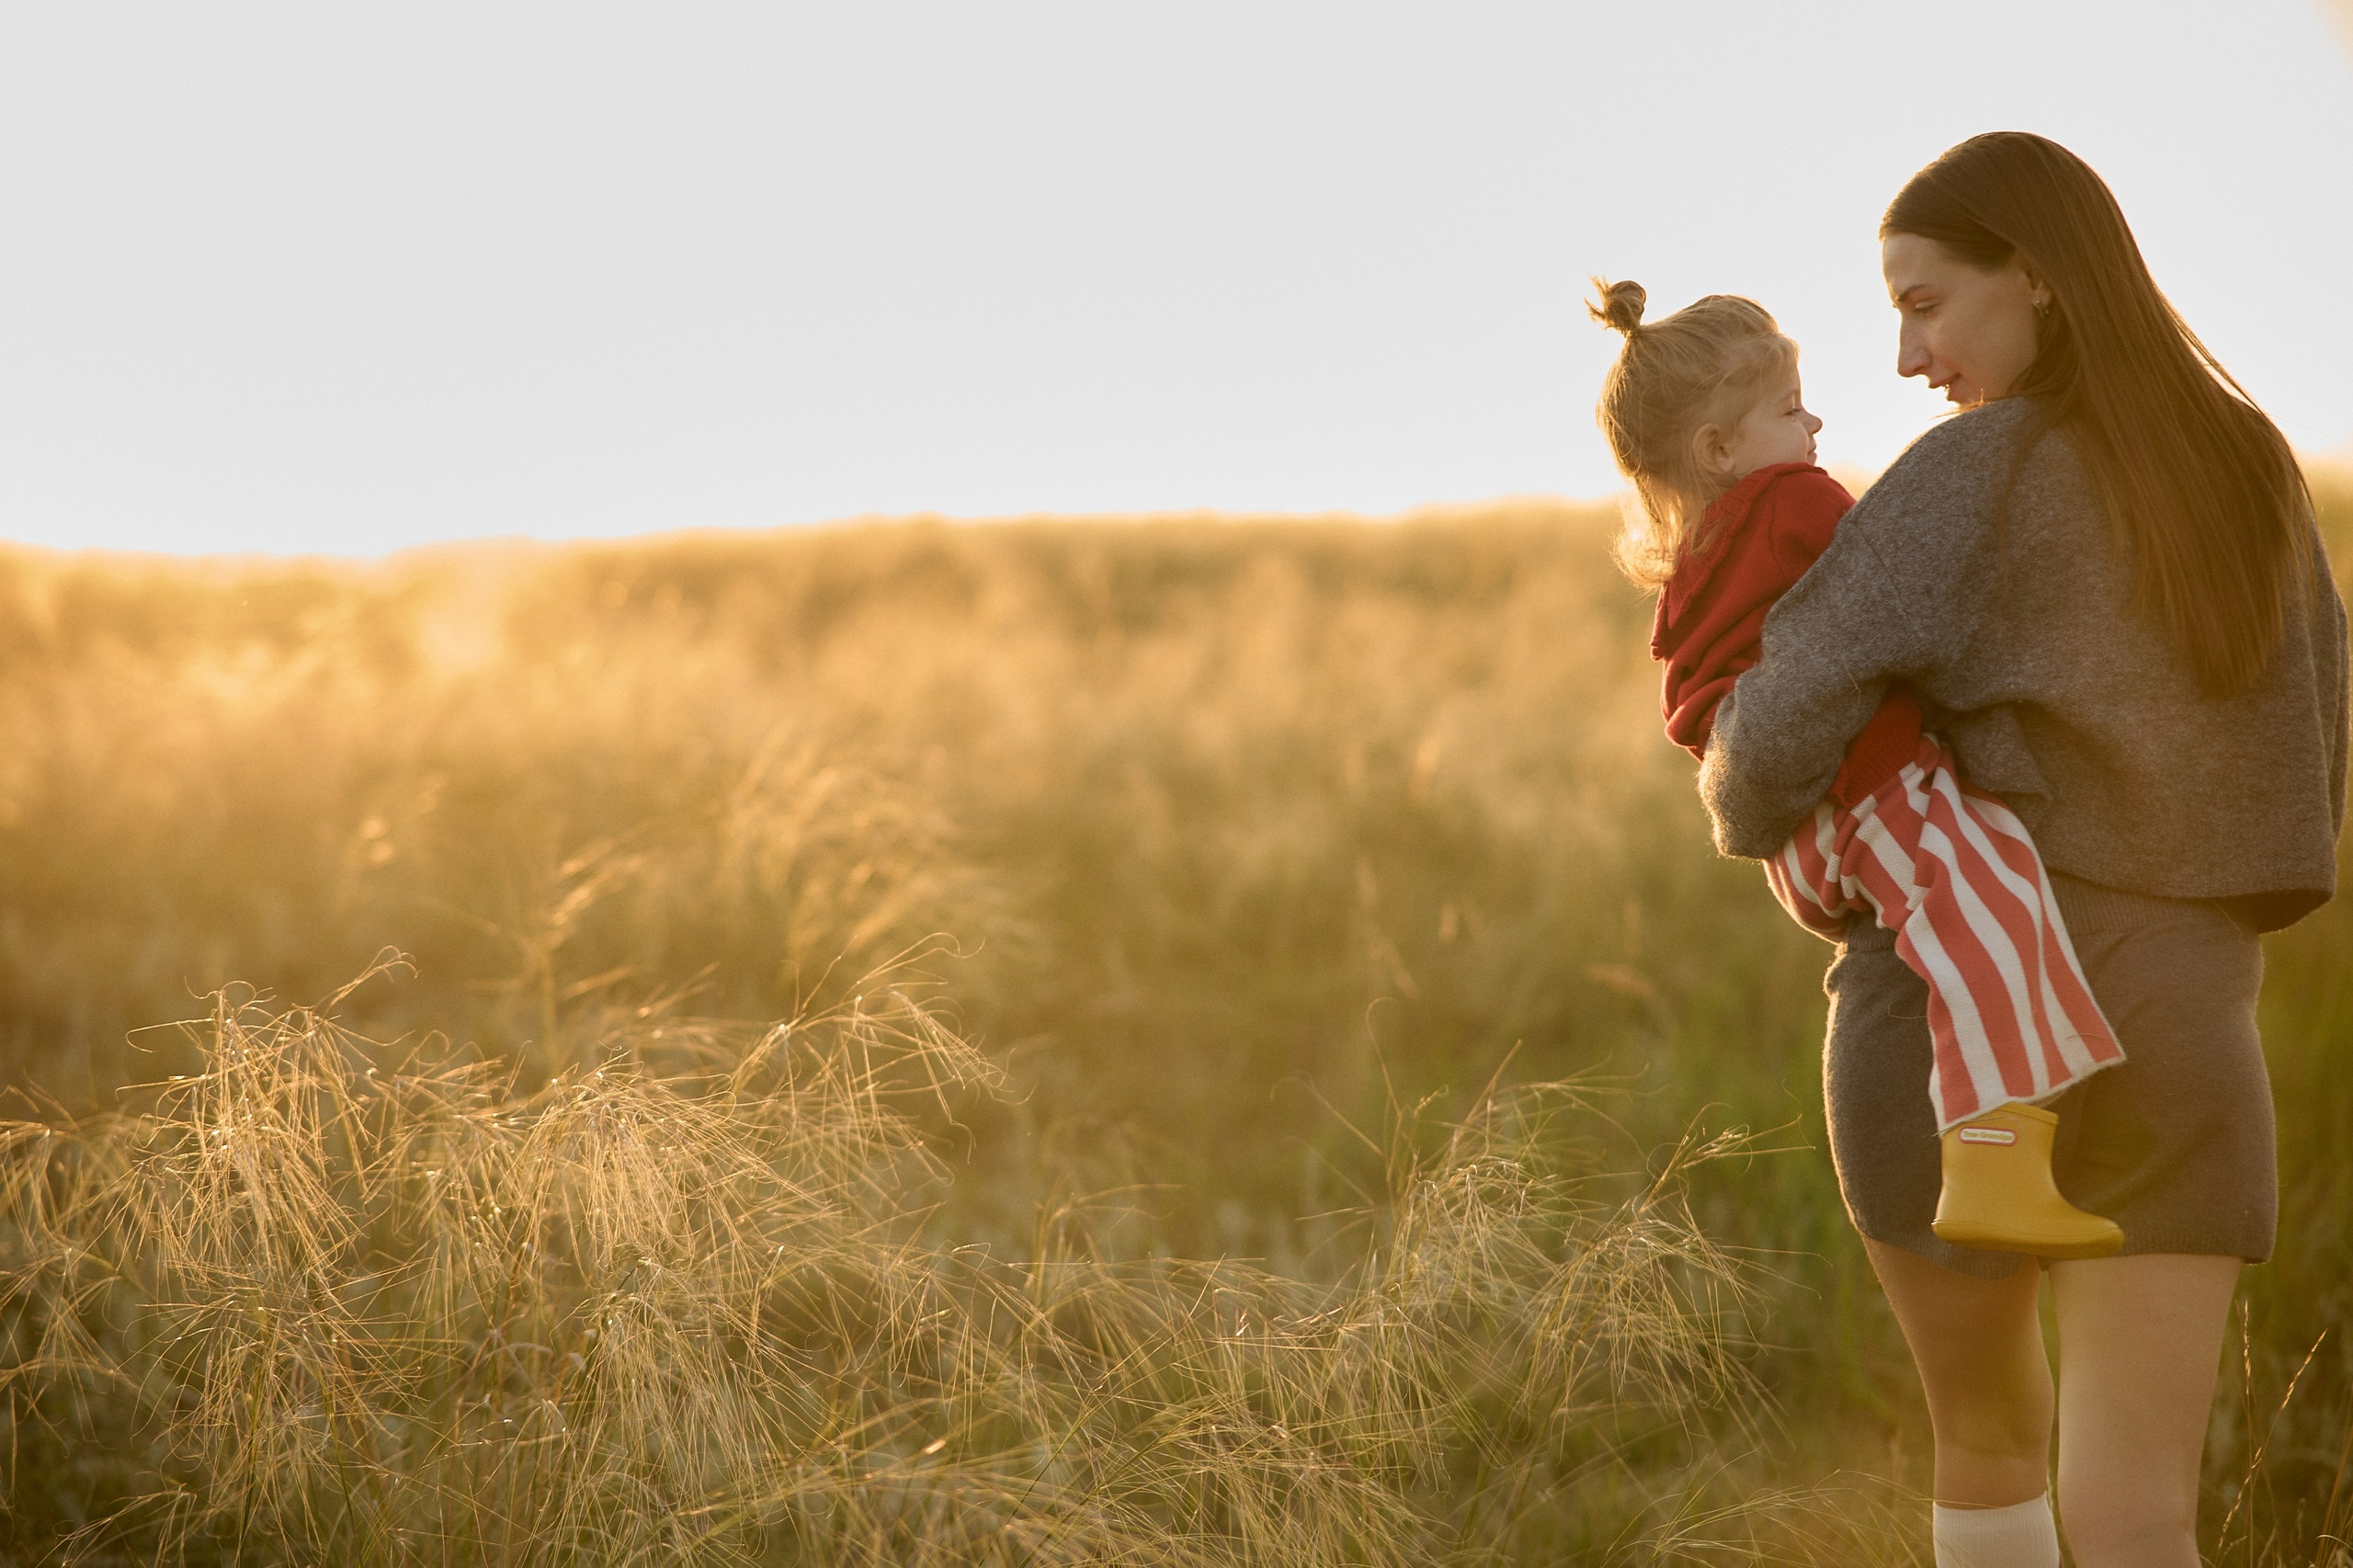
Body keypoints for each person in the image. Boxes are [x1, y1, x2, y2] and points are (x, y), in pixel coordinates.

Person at [1699, 131, 2347, 1567]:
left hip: (1951, 1026)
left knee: (1991, 1452)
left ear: (2036, 279)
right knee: (2141, 1517)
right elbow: (2317, 765)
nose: (1907, 353)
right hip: (2184, 1015)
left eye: (1926, 302)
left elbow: (1760, 757)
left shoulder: (1972, 470)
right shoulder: (2250, 465)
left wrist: (1774, 804)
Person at [1587, 280, 2127, 1259]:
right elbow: (1897, 584)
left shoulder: (1690, 572)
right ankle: (1996, 1160)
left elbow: (1697, 711)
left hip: (1803, 843)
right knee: (1993, 905)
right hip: (1871, 788)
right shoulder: (1792, 500)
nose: (1816, 422)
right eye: (1790, 410)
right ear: (1718, 449)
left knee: (1968, 903)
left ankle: (2000, 1153)